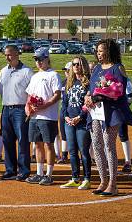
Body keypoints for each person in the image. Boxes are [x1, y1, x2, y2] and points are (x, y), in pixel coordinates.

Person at [84, 39, 132, 196]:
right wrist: (89, 96)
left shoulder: (117, 68)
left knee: (108, 144)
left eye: (101, 50)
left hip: (112, 112)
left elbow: (118, 91)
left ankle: (113, 184)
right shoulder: (96, 69)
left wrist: (101, 96)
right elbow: (91, 88)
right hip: (95, 112)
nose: (98, 53)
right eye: (97, 51)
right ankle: (103, 181)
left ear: (109, 51)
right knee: (97, 145)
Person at [24, 48, 61, 186]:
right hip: (34, 116)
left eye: (40, 59)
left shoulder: (54, 75)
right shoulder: (35, 76)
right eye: (36, 59)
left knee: (48, 144)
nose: (38, 62)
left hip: (48, 117)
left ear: (47, 59)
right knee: (37, 144)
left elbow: (57, 95)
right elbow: (29, 95)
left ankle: (49, 175)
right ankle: (39, 173)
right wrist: (27, 107)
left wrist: (44, 105)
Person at [0, 44, 34, 181]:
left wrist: (28, 107)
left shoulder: (26, 71)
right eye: (5, 55)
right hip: (6, 109)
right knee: (7, 140)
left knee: (22, 140)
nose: (7, 57)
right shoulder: (3, 71)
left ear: (17, 54)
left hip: (20, 109)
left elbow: (32, 92)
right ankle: (10, 169)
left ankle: (24, 170)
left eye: (9, 54)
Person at [60, 55, 92, 190]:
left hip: (82, 122)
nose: (76, 67)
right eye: (74, 64)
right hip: (69, 121)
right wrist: (65, 117)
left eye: (78, 64)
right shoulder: (69, 82)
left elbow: (89, 104)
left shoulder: (89, 82)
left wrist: (80, 116)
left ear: (83, 65)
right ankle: (75, 178)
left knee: (84, 151)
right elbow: (64, 104)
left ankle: (87, 179)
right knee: (72, 151)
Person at [118, 77, 132, 172]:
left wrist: (123, 107)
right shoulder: (104, 77)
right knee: (106, 137)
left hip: (120, 111)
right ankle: (106, 160)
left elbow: (130, 96)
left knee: (123, 135)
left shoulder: (125, 79)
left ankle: (128, 162)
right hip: (107, 111)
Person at [57, 62, 71, 164]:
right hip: (63, 111)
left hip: (73, 112)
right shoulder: (63, 82)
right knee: (63, 133)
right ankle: (64, 155)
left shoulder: (76, 82)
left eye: (68, 70)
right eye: (65, 70)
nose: (66, 72)